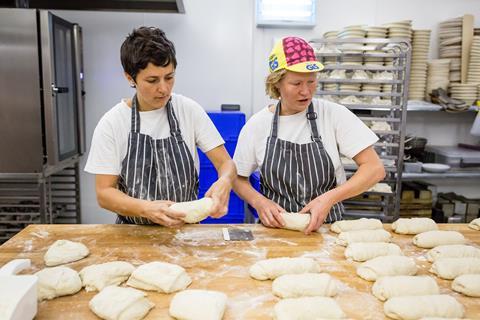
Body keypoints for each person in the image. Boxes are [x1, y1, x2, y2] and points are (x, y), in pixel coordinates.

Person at [233, 36, 385, 234]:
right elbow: (237, 178)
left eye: (311, 82)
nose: (306, 91)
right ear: (276, 83)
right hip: (276, 231)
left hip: (327, 230)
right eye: (296, 83)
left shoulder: (333, 115)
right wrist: (259, 202)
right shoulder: (258, 125)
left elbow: (374, 169)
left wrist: (329, 198)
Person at [85, 27, 236, 226]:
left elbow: (226, 164)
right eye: (152, 80)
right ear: (130, 78)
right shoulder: (112, 123)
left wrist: (224, 181)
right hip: (132, 235)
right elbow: (104, 193)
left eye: (169, 77)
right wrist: (145, 209)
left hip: (185, 234)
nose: (163, 89)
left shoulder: (188, 110)